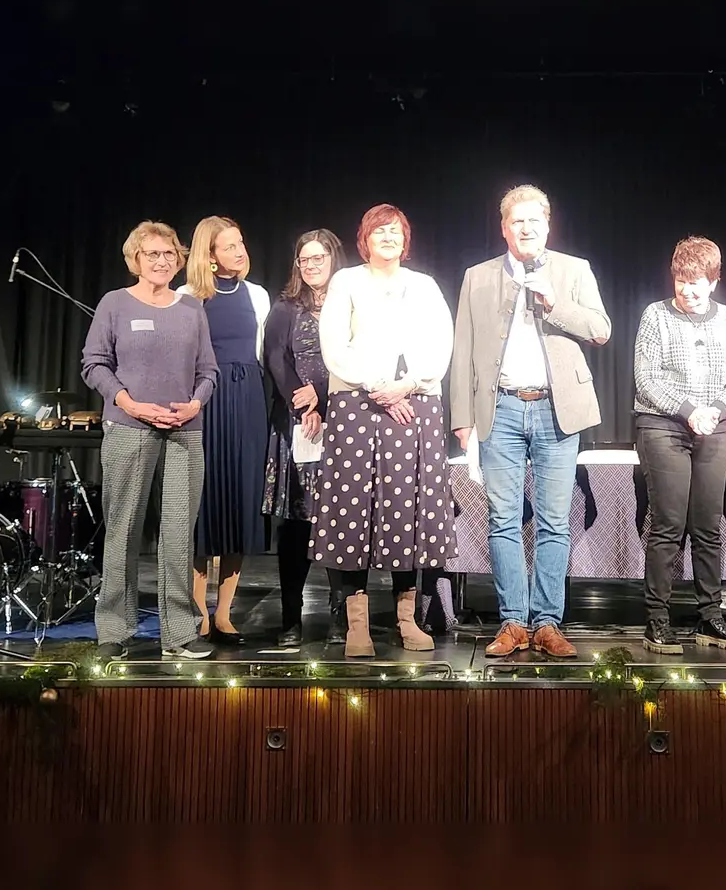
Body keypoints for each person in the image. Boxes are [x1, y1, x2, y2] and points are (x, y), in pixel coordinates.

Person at [449, 185, 611, 659]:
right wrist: (462, 418)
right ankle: (513, 622)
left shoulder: (573, 270)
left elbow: (601, 329)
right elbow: (463, 350)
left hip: (556, 410)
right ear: (504, 228)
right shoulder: (477, 277)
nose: (526, 229)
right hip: (498, 409)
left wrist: (555, 304)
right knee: (502, 519)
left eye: (534, 221)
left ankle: (547, 623)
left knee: (554, 521)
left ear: (548, 225)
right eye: (517, 221)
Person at [315, 203, 455, 657]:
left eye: (396, 231)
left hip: (414, 403)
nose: (389, 238)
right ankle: (357, 624)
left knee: (405, 510)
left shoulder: (425, 286)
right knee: (353, 512)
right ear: (365, 239)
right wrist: (379, 387)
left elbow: (441, 343)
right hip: (358, 403)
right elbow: (334, 344)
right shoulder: (346, 282)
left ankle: (406, 619)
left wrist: (407, 385)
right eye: (380, 231)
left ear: (406, 239)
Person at [82, 221, 219, 660]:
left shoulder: (191, 307)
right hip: (129, 426)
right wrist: (131, 404)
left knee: (179, 533)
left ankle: (179, 632)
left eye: (168, 255)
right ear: (134, 260)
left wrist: (196, 404)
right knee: (122, 530)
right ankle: (114, 631)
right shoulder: (115, 304)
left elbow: (208, 371)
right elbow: (95, 364)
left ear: (179, 260)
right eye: (152, 255)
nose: (162, 262)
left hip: (184, 431)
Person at [632, 236, 726, 654]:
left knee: (707, 525)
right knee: (667, 523)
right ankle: (658, 619)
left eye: (696, 282)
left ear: (714, 281)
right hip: (663, 425)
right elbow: (646, 378)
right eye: (681, 281)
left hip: (714, 427)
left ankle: (710, 616)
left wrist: (715, 409)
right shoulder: (655, 316)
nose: (687, 290)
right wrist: (688, 410)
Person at [178, 216, 270, 645]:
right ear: (209, 257)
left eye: (241, 243)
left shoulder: (258, 295)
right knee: (204, 507)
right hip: (205, 402)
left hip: (247, 400)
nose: (240, 251)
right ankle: (196, 611)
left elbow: (263, 354)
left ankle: (225, 612)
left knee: (238, 503)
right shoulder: (188, 297)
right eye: (229, 246)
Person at [262, 229, 343, 648]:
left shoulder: (352, 302)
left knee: (339, 521)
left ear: (334, 259)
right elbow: (275, 360)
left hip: (344, 422)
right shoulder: (285, 308)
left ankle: (340, 617)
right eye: (304, 260)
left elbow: (359, 356)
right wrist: (304, 405)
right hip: (297, 427)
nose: (311, 266)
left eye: (319, 258)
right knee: (295, 523)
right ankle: (290, 619)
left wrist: (324, 398)